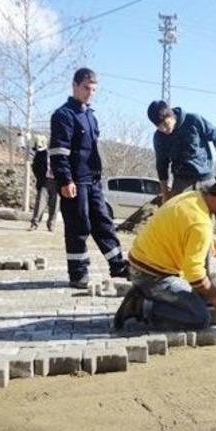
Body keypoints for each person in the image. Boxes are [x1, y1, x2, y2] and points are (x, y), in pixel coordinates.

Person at [114, 177, 216, 330]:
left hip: (140, 263)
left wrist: (211, 237)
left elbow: (186, 224)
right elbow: (194, 273)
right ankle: (142, 307)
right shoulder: (200, 224)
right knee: (199, 318)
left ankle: (145, 294)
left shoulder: (193, 197)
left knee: (202, 297)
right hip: (153, 276)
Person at [49, 68, 128, 288]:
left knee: (104, 223)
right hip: (74, 181)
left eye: (93, 89)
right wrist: (65, 180)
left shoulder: (91, 116)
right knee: (78, 225)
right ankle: (78, 273)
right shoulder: (63, 115)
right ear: (74, 86)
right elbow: (58, 151)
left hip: (93, 181)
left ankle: (118, 265)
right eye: (86, 88)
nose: (90, 93)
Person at [147, 100, 216, 202]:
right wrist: (165, 192)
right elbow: (161, 165)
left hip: (205, 179)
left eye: (165, 124)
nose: (164, 129)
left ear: (172, 115)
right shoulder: (159, 137)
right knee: (178, 213)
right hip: (181, 181)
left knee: (209, 213)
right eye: (159, 127)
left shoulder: (193, 120)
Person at [28, 134, 57, 232]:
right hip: (44, 181)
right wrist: (40, 177)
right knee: (40, 203)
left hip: (57, 182)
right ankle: (34, 224)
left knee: (54, 205)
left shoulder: (60, 155)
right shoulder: (42, 153)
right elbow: (35, 166)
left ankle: (51, 225)